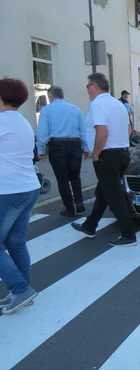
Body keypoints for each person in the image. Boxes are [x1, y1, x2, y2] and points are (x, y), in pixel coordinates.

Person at [72, 73, 136, 247]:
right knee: (104, 192)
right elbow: (130, 130)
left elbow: (102, 132)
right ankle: (90, 225)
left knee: (114, 196)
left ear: (95, 86)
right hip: (123, 152)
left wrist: (96, 153)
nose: (87, 91)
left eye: (87, 87)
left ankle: (129, 234)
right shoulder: (118, 103)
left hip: (107, 155)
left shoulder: (97, 104)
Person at [0, 78, 41, 314]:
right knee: (16, 242)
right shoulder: (23, 121)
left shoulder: (2, 121)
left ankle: (20, 289)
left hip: (9, 190)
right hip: (28, 188)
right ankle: (22, 291)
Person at [36, 86, 91, 216]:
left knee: (62, 179)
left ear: (50, 97)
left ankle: (69, 208)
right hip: (75, 145)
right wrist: (86, 148)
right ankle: (79, 202)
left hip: (57, 146)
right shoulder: (75, 109)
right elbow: (83, 130)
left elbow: (42, 132)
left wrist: (41, 149)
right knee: (75, 176)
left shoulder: (47, 110)